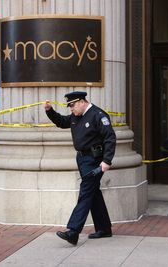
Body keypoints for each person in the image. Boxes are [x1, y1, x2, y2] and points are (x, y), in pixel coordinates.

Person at [44, 91, 116, 245]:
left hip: (95, 160)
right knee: (93, 192)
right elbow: (62, 122)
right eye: (69, 106)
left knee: (85, 192)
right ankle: (104, 229)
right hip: (82, 159)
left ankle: (73, 231)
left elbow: (110, 138)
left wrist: (107, 161)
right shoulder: (76, 116)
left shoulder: (98, 115)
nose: (71, 108)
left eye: (73, 105)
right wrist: (49, 111)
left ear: (83, 101)